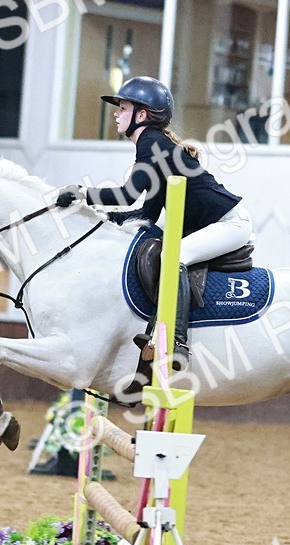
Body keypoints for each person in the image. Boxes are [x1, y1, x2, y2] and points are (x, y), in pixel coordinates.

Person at [56, 76, 252, 374]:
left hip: (231, 223)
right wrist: (103, 220)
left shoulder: (151, 143)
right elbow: (147, 213)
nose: (116, 113)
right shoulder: (154, 146)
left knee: (175, 256)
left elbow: (126, 194)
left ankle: (176, 341)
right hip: (222, 222)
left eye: (122, 107)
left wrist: (83, 194)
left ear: (142, 115)